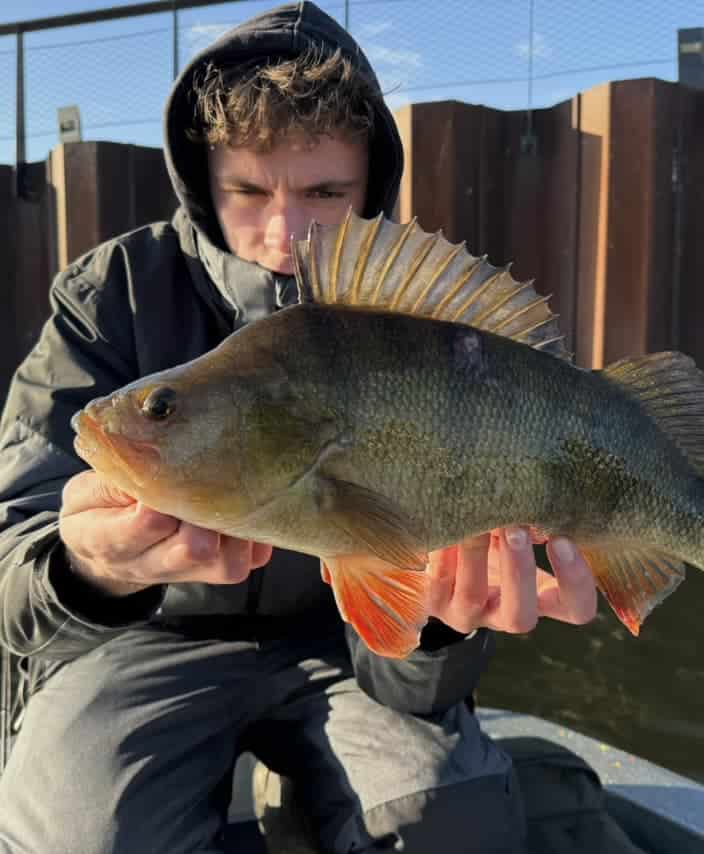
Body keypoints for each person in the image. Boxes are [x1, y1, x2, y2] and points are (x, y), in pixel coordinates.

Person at [0, 3, 597, 853]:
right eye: (247, 190)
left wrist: (436, 630)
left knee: (453, 820)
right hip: (142, 642)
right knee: (77, 835)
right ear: (201, 181)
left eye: (325, 192)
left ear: (370, 185)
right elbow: (12, 585)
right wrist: (86, 569)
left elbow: (411, 685)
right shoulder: (109, 298)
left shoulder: (420, 319)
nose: (283, 233)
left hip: (344, 650)